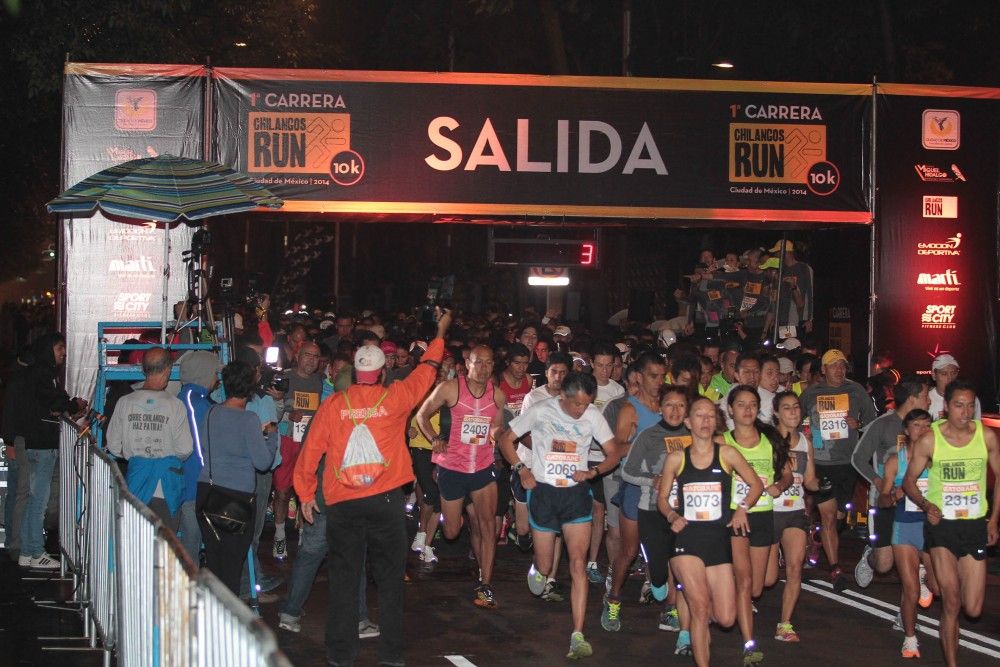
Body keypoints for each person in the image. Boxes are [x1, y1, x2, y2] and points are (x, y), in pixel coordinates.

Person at [294, 310, 451, 667]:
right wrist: (440, 333)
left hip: (343, 503)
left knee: (344, 578)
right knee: (391, 580)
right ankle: (391, 656)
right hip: (385, 501)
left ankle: (340, 654)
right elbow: (427, 370)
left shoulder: (334, 405)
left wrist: (305, 494)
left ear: (354, 371)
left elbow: (310, 451)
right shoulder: (395, 398)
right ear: (380, 373)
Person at [498, 371, 623, 660]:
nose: (581, 410)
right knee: (545, 566)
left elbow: (614, 452)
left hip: (575, 495)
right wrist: (521, 469)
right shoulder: (541, 410)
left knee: (577, 564)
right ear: (563, 396)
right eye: (577, 404)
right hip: (544, 493)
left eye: (586, 404)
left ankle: (578, 634)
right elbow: (506, 440)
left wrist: (592, 472)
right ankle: (538, 568)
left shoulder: (592, 415)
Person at [657, 396, 764, 667]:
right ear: (688, 422)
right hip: (686, 541)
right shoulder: (676, 459)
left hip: (718, 542)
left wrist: (742, 509)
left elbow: (756, 485)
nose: (705, 421)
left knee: (726, 618)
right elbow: (662, 498)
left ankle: (699, 630)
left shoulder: (727, 454)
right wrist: (672, 515)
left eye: (710, 416)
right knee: (700, 608)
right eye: (699, 415)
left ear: (716, 422)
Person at [902, 380, 1000, 667]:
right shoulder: (930, 439)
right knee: (952, 601)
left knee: (973, 608)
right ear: (946, 407)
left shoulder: (987, 436)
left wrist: (993, 520)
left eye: (970, 405)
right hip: (942, 525)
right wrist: (927, 505)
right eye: (959, 405)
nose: (965, 412)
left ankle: (930, 578)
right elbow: (909, 482)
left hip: (974, 526)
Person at [415, 344, 506, 609]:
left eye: (488, 363)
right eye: (478, 362)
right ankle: (466, 507)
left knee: (488, 527)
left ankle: (486, 584)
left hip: (482, 468)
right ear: (468, 364)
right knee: (452, 531)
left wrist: (499, 434)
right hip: (452, 468)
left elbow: (497, 426)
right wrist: (434, 438)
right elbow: (422, 415)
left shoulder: (497, 395)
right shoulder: (450, 389)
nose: (483, 368)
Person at [196, 360, 279, 594]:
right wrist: (271, 437)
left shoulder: (211, 412)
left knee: (214, 563)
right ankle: (228, 613)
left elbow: (204, 446)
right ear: (250, 388)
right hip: (236, 500)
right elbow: (263, 462)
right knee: (232, 567)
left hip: (207, 491)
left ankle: (211, 610)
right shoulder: (249, 419)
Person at [799, 348, 877, 591]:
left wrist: (858, 424)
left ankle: (817, 535)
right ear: (824, 370)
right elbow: (796, 420)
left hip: (848, 463)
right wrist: (806, 434)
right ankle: (835, 570)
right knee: (830, 517)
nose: (839, 370)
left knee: (840, 516)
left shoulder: (856, 390)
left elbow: (873, 420)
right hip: (821, 463)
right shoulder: (811, 393)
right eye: (833, 365)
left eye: (842, 365)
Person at [721, 385, 789, 665]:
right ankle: (749, 644)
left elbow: (786, 474)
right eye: (741, 404)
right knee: (745, 581)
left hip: (762, 514)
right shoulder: (721, 441)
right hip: (735, 515)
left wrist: (778, 486)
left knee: (758, 588)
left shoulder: (770, 438)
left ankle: (728, 591)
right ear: (730, 409)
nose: (747, 410)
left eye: (752, 404)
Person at [621, 385, 692, 646]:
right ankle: (658, 582)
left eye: (681, 405)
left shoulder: (694, 435)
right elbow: (627, 471)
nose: (675, 411)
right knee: (660, 571)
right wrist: (652, 480)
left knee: (682, 565)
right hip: (652, 509)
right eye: (669, 405)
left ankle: (677, 613)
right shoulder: (648, 436)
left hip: (686, 512)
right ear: (660, 408)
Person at [603, 352, 667, 632]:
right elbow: (617, 448)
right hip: (637, 485)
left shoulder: (668, 406)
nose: (659, 381)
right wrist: (647, 444)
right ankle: (613, 599)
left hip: (665, 487)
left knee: (667, 550)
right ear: (639, 377)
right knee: (629, 550)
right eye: (653, 376)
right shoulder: (630, 409)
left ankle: (671, 609)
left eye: (663, 376)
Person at [850, 375, 931, 589]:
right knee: (884, 565)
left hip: (917, 503)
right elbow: (858, 458)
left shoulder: (929, 427)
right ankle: (870, 557)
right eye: (925, 396)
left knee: (918, 553)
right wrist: (877, 481)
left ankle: (916, 585)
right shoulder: (883, 424)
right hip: (887, 502)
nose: (929, 400)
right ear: (912, 399)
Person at [107, 347, 194, 531]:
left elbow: (113, 446)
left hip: (135, 484)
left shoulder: (125, 402)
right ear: (168, 370)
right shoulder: (176, 406)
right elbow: (185, 449)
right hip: (166, 489)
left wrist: (135, 455)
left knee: (136, 541)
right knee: (164, 544)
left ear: (143, 369)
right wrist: (165, 457)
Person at [19, 333, 84, 569]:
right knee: (39, 501)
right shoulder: (43, 375)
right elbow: (55, 402)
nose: (63, 353)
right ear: (48, 350)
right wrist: (71, 405)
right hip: (42, 444)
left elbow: (57, 402)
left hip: (37, 443)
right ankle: (37, 551)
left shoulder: (39, 374)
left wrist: (66, 405)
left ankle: (28, 551)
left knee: (34, 500)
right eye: (59, 348)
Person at [880, 408, 938, 659]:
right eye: (916, 425)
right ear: (906, 430)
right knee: (911, 590)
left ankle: (925, 577)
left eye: (927, 425)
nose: (922, 430)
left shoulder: (937, 459)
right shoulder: (896, 461)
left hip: (932, 529)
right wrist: (896, 494)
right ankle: (910, 638)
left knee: (938, 587)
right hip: (905, 527)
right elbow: (882, 499)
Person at [766, 390, 820, 642]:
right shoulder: (767, 439)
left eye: (796, 407)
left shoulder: (805, 442)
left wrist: (824, 486)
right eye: (786, 408)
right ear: (776, 413)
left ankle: (785, 624)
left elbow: (809, 481)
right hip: (769, 511)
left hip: (795, 511)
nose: (793, 412)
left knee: (795, 567)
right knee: (767, 579)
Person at [272, 340, 323, 560]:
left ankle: (304, 535)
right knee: (283, 491)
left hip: (310, 444)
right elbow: (271, 408)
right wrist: (287, 414)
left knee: (307, 492)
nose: (311, 360)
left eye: (316, 356)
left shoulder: (320, 382)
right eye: (307, 355)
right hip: (287, 440)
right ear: (297, 356)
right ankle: (279, 535)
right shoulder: (284, 377)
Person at [408, 355, 455, 564]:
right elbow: (405, 412)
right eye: (438, 374)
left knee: (438, 495)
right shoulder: (421, 392)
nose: (440, 377)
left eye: (444, 373)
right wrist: (407, 429)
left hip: (441, 448)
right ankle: (421, 531)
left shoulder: (450, 395)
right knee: (431, 490)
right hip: (420, 445)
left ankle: (426, 544)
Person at [175, 351, 221, 561]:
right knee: (191, 545)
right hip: (194, 486)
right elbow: (197, 449)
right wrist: (210, 479)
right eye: (214, 373)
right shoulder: (194, 402)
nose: (217, 378)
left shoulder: (192, 398)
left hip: (191, 484)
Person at [927, 354, 981, 420]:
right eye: (944, 374)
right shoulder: (926, 399)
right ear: (934, 375)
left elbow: (975, 424)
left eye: (953, 373)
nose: (949, 378)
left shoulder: (971, 398)